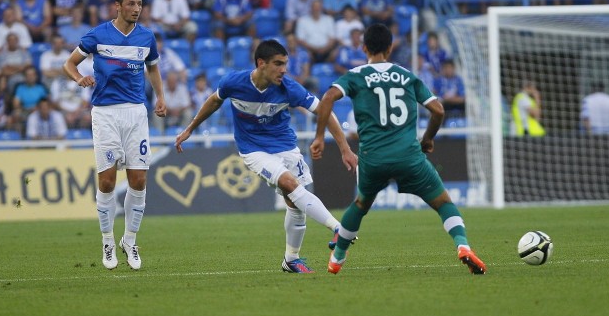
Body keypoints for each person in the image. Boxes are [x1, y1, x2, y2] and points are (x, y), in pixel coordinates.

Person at [310, 23, 487, 275]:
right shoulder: (406, 75)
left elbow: (327, 99)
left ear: (363, 48)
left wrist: (319, 136)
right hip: (409, 156)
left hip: (373, 159)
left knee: (360, 205)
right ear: (390, 48)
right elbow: (438, 110)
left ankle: (337, 259)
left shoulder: (356, 75)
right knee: (444, 203)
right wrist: (428, 139)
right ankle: (463, 246)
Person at [174, 39, 357, 274]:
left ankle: (291, 260)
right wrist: (190, 128)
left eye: (285, 64)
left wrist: (344, 148)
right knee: (290, 184)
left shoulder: (289, 88)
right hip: (254, 149)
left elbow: (324, 110)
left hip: (285, 146)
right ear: (261, 63)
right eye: (278, 64)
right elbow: (214, 101)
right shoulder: (234, 82)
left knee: (296, 203)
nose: (284, 70)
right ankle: (338, 228)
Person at [62, 0, 167, 270]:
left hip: (135, 114)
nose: (137, 8)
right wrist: (79, 79)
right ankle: (107, 240)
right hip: (106, 114)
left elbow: (153, 68)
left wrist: (160, 97)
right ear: (117, 6)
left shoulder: (146, 37)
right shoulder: (97, 35)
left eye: (140, 4)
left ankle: (129, 240)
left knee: (139, 181)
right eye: (131, 3)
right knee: (107, 181)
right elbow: (69, 64)